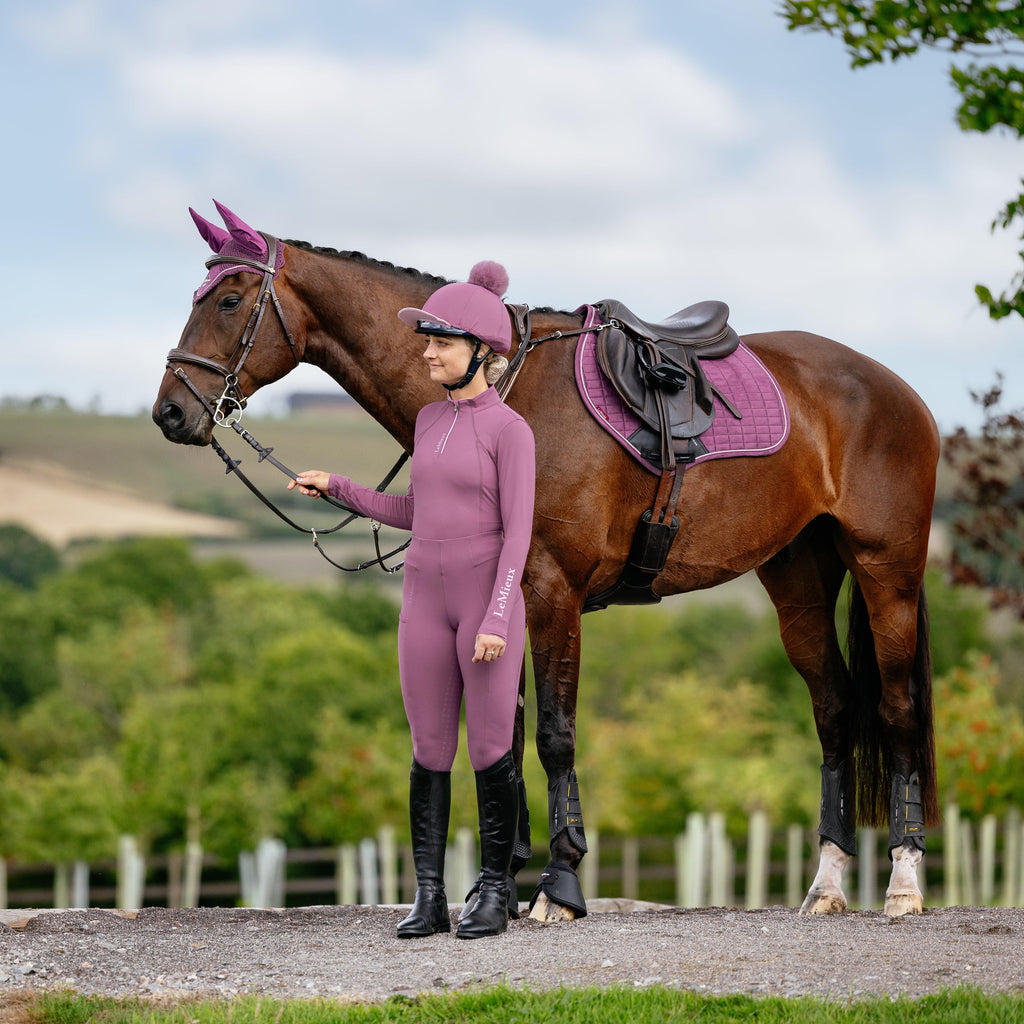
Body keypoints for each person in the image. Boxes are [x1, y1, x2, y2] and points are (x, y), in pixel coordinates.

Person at [288, 262, 535, 940]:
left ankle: (494, 892)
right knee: (429, 749)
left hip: (485, 604)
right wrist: (339, 487)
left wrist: (496, 616)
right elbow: (415, 511)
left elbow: (519, 533)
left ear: (480, 351)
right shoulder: (427, 420)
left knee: (490, 749)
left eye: (441, 342)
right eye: (427, 340)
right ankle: (429, 896)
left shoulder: (510, 430)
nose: (427, 352)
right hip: (423, 599)